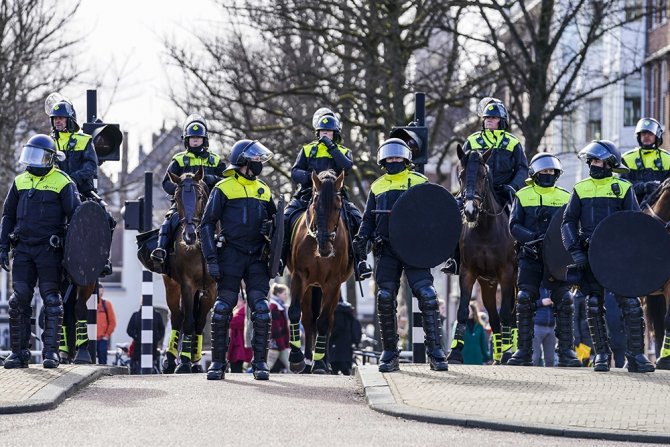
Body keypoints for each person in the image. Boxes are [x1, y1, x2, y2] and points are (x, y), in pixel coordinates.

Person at [353, 138, 448, 372]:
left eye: (398, 157)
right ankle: (389, 352)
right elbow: (368, 220)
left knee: (427, 295)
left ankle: (435, 352)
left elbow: (432, 214)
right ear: (383, 160)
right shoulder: (377, 186)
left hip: (415, 249)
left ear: (406, 159)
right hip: (386, 250)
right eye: (390, 157)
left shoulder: (420, 181)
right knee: (385, 297)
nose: (394, 160)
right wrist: (361, 239)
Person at [561, 140, 654, 373]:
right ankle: (601, 354)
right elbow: (568, 222)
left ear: (610, 163)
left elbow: (633, 222)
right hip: (589, 255)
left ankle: (637, 356)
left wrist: (630, 253)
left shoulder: (623, 187)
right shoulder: (580, 189)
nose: (593, 164)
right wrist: (575, 251)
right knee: (593, 304)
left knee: (631, 305)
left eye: (598, 160)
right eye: (591, 160)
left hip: (618, 256)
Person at [201, 139, 278, 381]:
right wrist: (211, 258)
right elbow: (206, 224)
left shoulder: (264, 190)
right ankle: (217, 363)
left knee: (262, 309)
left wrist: (272, 232)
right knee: (223, 308)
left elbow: (278, 228)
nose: (258, 164)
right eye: (255, 160)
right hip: (231, 254)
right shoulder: (223, 188)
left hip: (257, 256)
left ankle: (260, 364)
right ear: (243, 161)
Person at [1, 135, 81, 369]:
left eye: (39, 155)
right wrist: (3, 245)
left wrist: (72, 254)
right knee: (18, 301)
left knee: (52, 301)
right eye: (31, 154)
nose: (33, 160)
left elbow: (77, 219)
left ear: (51, 159)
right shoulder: (19, 182)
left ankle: (51, 353)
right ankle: (19, 354)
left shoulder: (63, 182)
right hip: (23, 249)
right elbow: (7, 215)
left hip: (49, 249)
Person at [507, 153, 580, 367]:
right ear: (534, 173)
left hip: (556, 259)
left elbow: (570, 225)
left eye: (551, 171)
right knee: (524, 299)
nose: (547, 174)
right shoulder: (523, 195)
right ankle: (523, 352)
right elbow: (514, 225)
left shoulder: (566, 196)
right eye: (543, 171)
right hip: (530, 256)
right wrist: (532, 238)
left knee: (565, 300)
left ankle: (566, 352)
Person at [281, 108, 371, 280]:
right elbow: (295, 172)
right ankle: (280, 258)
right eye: (322, 131)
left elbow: (347, 168)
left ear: (334, 133)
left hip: (336, 198)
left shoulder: (343, 151)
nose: (325, 134)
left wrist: (331, 148)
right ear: (317, 132)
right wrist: (312, 178)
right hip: (308, 195)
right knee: (285, 219)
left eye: (328, 131)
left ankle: (360, 262)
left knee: (358, 221)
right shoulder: (308, 150)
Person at [442, 98, 529, 275]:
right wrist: (467, 191)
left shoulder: (513, 143)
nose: (489, 119)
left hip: (503, 192)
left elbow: (522, 168)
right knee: (454, 215)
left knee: (522, 218)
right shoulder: (472, 141)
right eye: (487, 117)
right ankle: (454, 259)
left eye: (493, 117)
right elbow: (463, 167)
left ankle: (523, 257)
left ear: (501, 121)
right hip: (475, 192)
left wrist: (512, 187)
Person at [620, 117, 670, 357]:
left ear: (657, 137)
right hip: (638, 210)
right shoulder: (628, 158)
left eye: (649, 135)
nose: (646, 138)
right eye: (643, 135)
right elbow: (622, 185)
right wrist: (645, 186)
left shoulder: (668, 159)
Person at [151, 114, 226, 263]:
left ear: (205, 140)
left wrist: (211, 179)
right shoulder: (178, 159)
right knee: (169, 220)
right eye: (192, 138)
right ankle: (161, 249)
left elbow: (225, 180)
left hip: (212, 204)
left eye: (199, 138)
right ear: (187, 140)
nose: (196, 140)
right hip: (184, 205)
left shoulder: (216, 159)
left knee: (229, 221)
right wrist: (181, 193)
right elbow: (166, 183)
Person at [126, 305, 165, 374]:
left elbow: (162, 329)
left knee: (152, 367)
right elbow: (129, 330)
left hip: (152, 347)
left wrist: (156, 338)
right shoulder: (136, 315)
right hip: (138, 347)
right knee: (138, 369)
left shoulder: (156, 315)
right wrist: (137, 336)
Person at [329, 298, 362, 375]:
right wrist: (356, 342)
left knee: (334, 371)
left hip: (335, 349)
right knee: (346, 371)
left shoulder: (336, 313)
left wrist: (331, 338)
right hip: (347, 348)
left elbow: (337, 328)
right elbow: (356, 330)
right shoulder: (351, 317)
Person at [268, 283, 290, 373]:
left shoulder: (280, 306)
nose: (286, 296)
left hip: (279, 341)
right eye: (285, 294)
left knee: (271, 364)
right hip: (276, 342)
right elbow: (275, 327)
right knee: (269, 364)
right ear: (278, 294)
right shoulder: (274, 306)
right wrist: (281, 343)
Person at [228, 294, 253, 373]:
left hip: (239, 346)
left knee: (236, 368)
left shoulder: (242, 310)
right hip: (237, 345)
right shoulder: (239, 310)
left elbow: (233, 322)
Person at [532, 289, 557, 367]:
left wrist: (555, 304)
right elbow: (527, 303)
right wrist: (541, 302)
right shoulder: (535, 287)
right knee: (534, 358)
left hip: (551, 328)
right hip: (536, 326)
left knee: (550, 360)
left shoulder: (553, 288)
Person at [96, 284, 117, 365]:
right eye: (99, 290)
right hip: (90, 339)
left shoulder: (106, 304)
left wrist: (107, 335)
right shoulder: (89, 303)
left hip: (102, 339)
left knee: (103, 362)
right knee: (89, 361)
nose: (100, 293)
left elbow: (112, 322)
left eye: (102, 290)